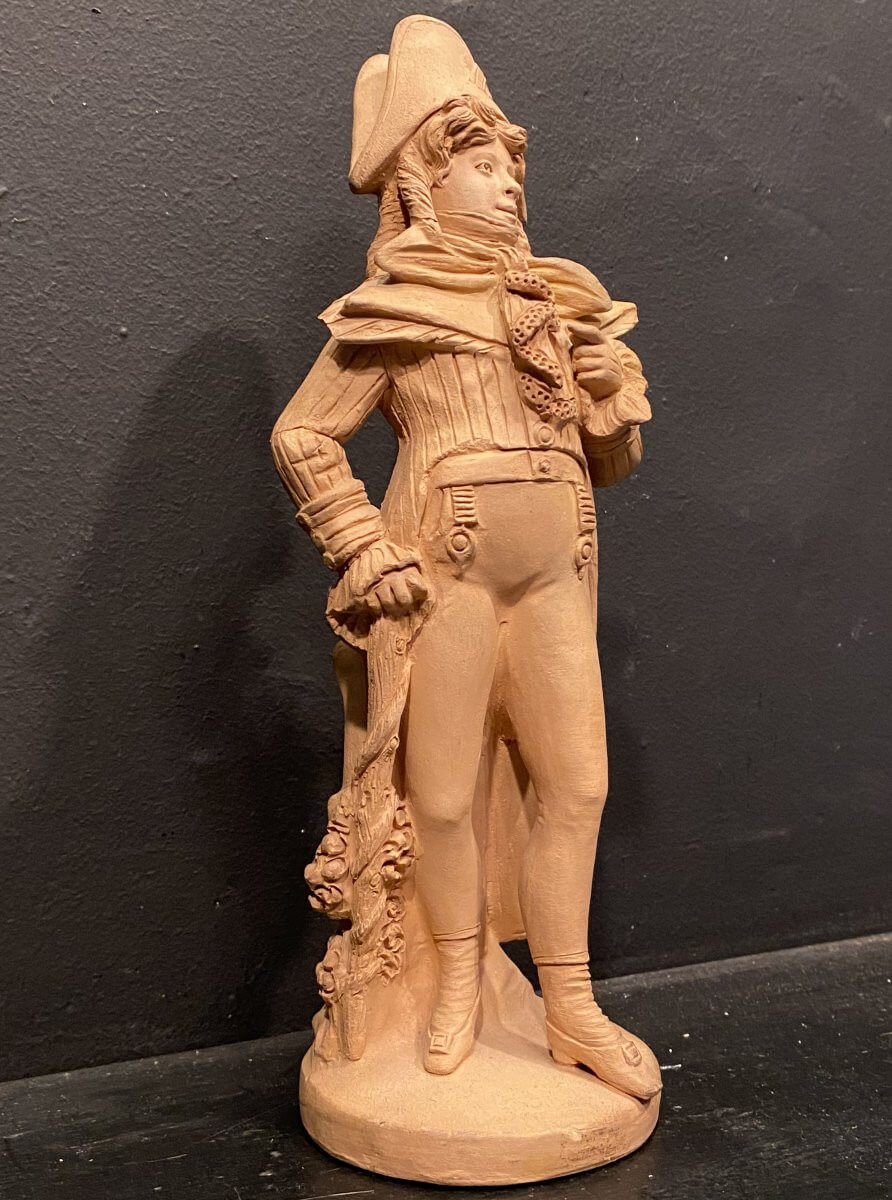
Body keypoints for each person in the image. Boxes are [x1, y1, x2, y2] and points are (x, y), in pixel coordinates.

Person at [271, 15, 660, 1100]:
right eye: (483, 168)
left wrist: (608, 404)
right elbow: (303, 435)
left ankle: (569, 1001)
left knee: (576, 784)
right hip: (446, 569)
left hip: (555, 573)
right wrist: (359, 543)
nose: (508, 187)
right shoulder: (396, 309)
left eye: (511, 170)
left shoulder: (554, 302)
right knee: (439, 796)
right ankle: (453, 979)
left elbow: (606, 462)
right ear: (422, 185)